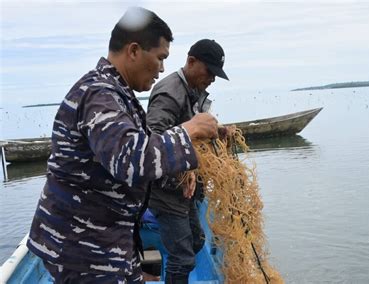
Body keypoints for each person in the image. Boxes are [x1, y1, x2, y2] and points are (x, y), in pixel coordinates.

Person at [26, 7, 218, 283]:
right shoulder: (99, 94)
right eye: (160, 57)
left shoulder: (115, 93)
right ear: (134, 51)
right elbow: (130, 161)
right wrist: (189, 129)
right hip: (83, 246)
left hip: (105, 236)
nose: (162, 68)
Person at [146, 39, 229, 283]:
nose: (212, 79)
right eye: (210, 71)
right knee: (183, 258)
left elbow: (194, 125)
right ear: (191, 62)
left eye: (216, 74)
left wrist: (219, 130)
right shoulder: (169, 93)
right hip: (164, 190)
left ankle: (171, 268)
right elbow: (153, 139)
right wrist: (183, 168)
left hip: (185, 188)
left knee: (196, 241)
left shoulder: (192, 89)